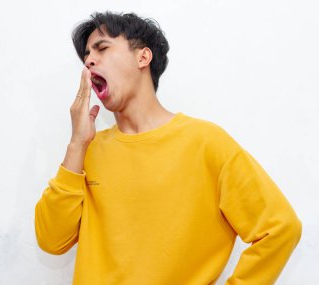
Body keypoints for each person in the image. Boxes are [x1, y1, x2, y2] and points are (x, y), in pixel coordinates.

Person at [35, 11, 302, 285]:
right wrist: (77, 145)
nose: (89, 60)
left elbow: (280, 228)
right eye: (86, 55)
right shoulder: (87, 151)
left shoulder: (205, 142)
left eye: (102, 48)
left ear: (143, 57)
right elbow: (51, 241)